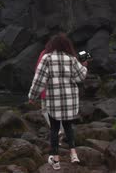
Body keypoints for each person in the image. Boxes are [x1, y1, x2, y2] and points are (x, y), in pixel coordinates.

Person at [28, 33, 88, 170]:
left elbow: (39, 80)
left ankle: (56, 160)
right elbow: (81, 77)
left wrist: (32, 96)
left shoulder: (47, 58)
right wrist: (85, 64)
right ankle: (74, 155)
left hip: (54, 101)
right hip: (70, 101)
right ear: (66, 45)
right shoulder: (72, 58)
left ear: (51, 45)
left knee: (54, 129)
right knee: (68, 127)